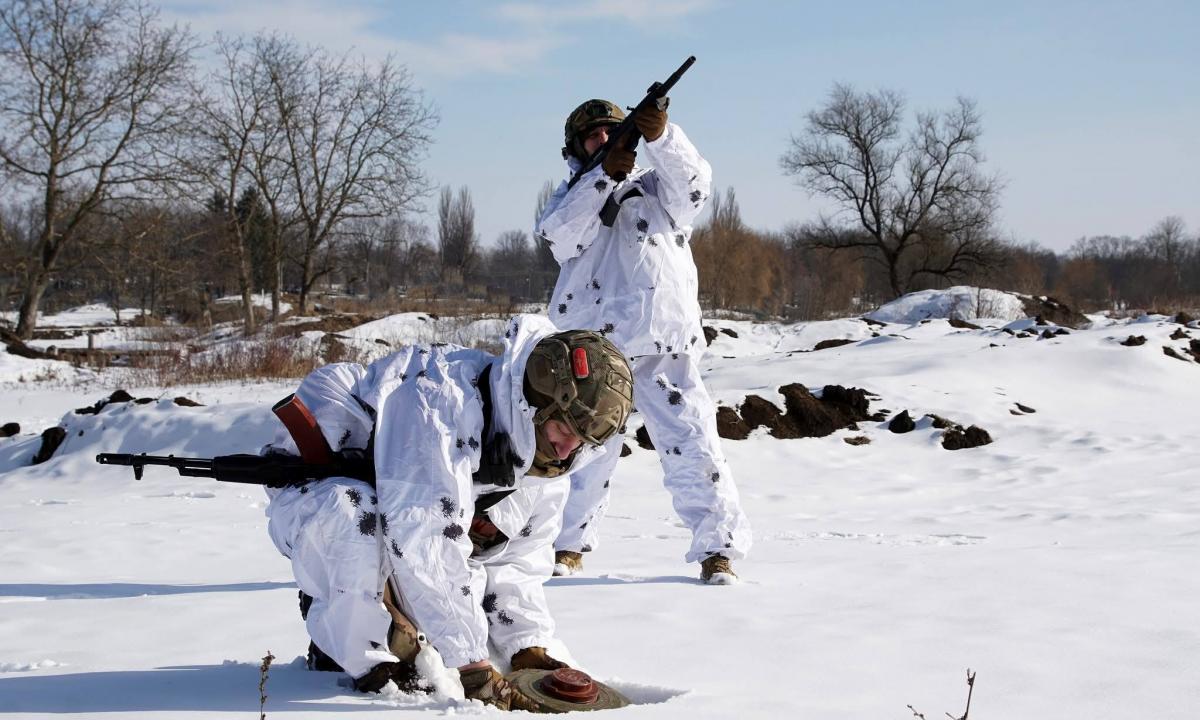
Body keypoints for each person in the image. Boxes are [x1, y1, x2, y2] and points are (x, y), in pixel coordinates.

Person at [262, 315, 634, 710]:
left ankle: (392, 639)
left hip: (408, 524)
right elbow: (424, 538)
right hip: (324, 501)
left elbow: (517, 562)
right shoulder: (438, 401)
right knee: (354, 520)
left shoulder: (546, 464)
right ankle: (371, 666)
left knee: (459, 592)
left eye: (584, 439)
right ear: (537, 402)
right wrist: (473, 668)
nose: (567, 450)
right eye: (564, 429)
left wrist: (527, 647)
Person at [534, 98, 752, 585]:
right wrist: (601, 178)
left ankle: (718, 551)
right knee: (581, 451)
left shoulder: (658, 189)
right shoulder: (573, 196)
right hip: (592, 349)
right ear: (576, 148)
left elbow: (696, 188)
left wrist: (663, 135)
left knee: (692, 444)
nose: (606, 141)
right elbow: (559, 239)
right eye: (594, 137)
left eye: (615, 132)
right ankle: (565, 547)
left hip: (663, 341)